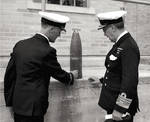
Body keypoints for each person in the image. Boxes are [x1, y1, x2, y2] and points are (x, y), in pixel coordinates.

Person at [4, 11, 78, 122]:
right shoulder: (47, 51)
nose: (59, 35)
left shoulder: (20, 45)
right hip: (34, 109)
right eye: (59, 31)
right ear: (52, 29)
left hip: (18, 106)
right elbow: (59, 74)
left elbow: (9, 77)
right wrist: (72, 76)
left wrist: (9, 103)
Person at [89, 11, 140, 122]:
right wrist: (101, 80)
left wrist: (120, 109)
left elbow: (130, 81)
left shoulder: (128, 46)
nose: (104, 34)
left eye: (104, 30)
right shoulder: (120, 44)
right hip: (113, 105)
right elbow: (117, 71)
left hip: (120, 110)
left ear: (112, 28)